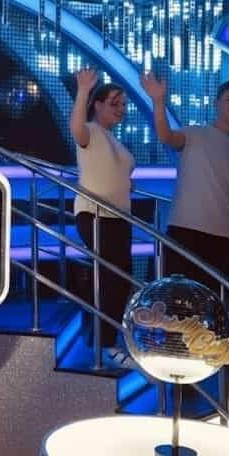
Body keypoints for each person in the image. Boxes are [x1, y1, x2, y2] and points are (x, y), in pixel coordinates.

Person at [140, 73, 229, 289]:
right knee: (180, 304)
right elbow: (166, 136)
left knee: (217, 303)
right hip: (186, 230)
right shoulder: (195, 133)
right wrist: (158, 101)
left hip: (222, 238)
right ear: (216, 103)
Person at [69, 68, 135, 364]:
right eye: (114, 103)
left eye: (123, 104)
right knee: (112, 278)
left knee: (121, 279)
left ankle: (107, 339)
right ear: (98, 105)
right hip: (95, 214)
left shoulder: (114, 140)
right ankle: (105, 345)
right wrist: (83, 90)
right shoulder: (92, 133)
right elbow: (76, 129)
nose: (121, 109)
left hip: (119, 217)